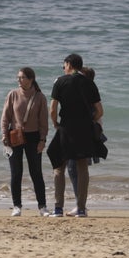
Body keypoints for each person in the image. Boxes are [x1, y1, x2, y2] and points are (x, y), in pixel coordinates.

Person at [49, 53, 103, 218]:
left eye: (64, 65)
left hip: (66, 127)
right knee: (82, 167)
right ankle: (81, 209)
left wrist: (55, 123)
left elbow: (53, 109)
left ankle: (58, 208)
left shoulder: (60, 81)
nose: (64, 68)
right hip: (84, 129)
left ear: (69, 64)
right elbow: (100, 111)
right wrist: (90, 121)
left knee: (59, 167)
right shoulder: (89, 83)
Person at [0, 67, 50, 217]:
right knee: (16, 173)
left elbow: (43, 122)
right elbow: (5, 117)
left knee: (36, 173)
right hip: (15, 136)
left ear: (31, 79)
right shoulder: (13, 94)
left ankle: (42, 206)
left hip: (34, 137)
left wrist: (42, 139)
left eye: (22, 77)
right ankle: (17, 206)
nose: (19, 80)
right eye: (18, 77)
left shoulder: (40, 97)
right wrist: (4, 135)